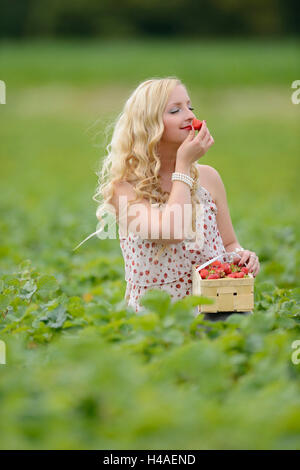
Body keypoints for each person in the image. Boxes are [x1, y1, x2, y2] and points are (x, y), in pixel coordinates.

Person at [93, 77, 260, 315]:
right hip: (160, 321)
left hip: (219, 311)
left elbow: (229, 243)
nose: (190, 116)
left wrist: (243, 257)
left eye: (190, 107)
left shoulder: (209, 178)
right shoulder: (125, 189)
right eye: (175, 110)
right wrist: (182, 166)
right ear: (148, 125)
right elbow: (172, 233)